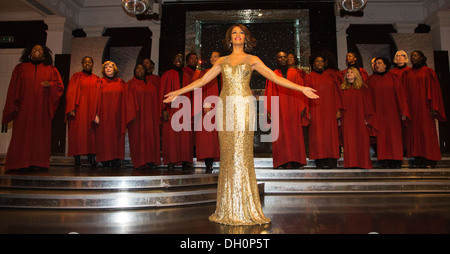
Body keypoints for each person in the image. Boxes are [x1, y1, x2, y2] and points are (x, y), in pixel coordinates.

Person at [163, 24, 318, 226]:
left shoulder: (252, 59)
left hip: (244, 106)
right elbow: (202, 82)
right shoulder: (222, 60)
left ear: (246, 38)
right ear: (230, 39)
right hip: (225, 107)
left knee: (241, 152)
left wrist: (301, 88)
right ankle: (228, 206)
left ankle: (245, 206)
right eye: (234, 33)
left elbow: (275, 79)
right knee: (228, 154)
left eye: (241, 33)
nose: (237, 35)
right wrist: (178, 92)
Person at [2, 44, 64, 172]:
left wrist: (51, 84)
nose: (37, 51)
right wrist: (14, 105)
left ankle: (39, 162)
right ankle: (19, 162)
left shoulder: (51, 70)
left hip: (42, 109)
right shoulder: (20, 68)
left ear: (44, 54)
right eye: (35, 50)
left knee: (40, 136)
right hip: (24, 109)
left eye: (40, 50)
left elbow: (59, 87)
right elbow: (13, 88)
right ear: (30, 53)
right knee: (22, 136)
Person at [264, 51, 308, 169]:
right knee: (281, 135)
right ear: (276, 59)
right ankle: (282, 161)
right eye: (280, 57)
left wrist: (302, 106)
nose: (282, 59)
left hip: (293, 107)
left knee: (295, 135)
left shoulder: (295, 73)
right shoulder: (273, 74)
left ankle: (296, 160)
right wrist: (270, 110)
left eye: (284, 57)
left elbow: (300, 90)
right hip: (279, 109)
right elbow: (269, 92)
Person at [403, 50, 446, 168]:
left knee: (427, 133)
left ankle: (431, 159)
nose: (413, 58)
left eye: (415, 56)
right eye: (411, 56)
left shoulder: (428, 72)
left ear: (422, 58)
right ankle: (419, 159)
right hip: (412, 109)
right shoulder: (408, 74)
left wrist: (434, 106)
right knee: (415, 134)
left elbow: (434, 90)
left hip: (425, 108)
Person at [368, 57, 410, 168]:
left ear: (386, 65)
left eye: (379, 63)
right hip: (377, 113)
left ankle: (395, 160)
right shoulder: (370, 80)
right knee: (380, 136)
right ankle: (382, 160)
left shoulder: (393, 77)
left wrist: (404, 111)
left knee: (394, 136)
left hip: (392, 113)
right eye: (376, 63)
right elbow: (367, 98)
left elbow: (400, 95)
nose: (377, 65)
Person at [305, 53, 344, 169]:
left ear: (324, 64)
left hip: (330, 110)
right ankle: (320, 161)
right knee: (317, 135)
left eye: (321, 61)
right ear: (313, 64)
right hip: (316, 110)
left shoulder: (330, 77)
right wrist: (307, 110)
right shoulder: (308, 77)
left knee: (331, 135)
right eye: (317, 61)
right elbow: (305, 95)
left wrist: (338, 109)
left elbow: (336, 94)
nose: (319, 63)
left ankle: (331, 160)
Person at [159, 54, 194, 170]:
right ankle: (171, 161)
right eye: (176, 58)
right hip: (171, 109)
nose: (178, 60)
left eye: (180, 58)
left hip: (185, 109)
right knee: (171, 136)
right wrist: (163, 109)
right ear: (173, 60)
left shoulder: (187, 76)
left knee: (185, 136)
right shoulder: (167, 74)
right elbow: (162, 92)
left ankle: (185, 160)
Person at [340, 67, 378, 169]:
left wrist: (368, 118)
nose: (349, 73)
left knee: (362, 140)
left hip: (360, 118)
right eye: (348, 72)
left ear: (356, 74)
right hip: (347, 119)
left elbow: (368, 104)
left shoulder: (363, 88)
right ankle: (351, 163)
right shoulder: (342, 89)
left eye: (352, 72)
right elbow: (339, 105)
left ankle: (363, 163)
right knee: (349, 141)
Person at [65, 56, 99, 168]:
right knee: (78, 135)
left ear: (92, 64)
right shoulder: (76, 77)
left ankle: (92, 158)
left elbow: (100, 96)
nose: (87, 63)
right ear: (82, 64)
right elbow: (71, 93)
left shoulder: (97, 79)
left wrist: (98, 112)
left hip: (92, 110)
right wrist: (71, 109)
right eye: (85, 62)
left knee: (92, 135)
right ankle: (77, 159)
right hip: (79, 111)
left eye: (90, 62)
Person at [125, 64, 161, 170]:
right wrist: (131, 115)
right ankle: (140, 162)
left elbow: (156, 100)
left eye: (142, 69)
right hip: (137, 117)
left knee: (150, 138)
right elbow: (128, 100)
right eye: (137, 69)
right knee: (138, 139)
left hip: (150, 116)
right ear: (134, 71)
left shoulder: (151, 84)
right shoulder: (131, 84)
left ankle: (150, 160)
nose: (140, 70)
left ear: (145, 71)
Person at [94, 61, 126, 168]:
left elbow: (126, 99)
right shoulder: (100, 82)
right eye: (106, 67)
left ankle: (116, 159)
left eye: (111, 67)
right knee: (105, 138)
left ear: (115, 69)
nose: (108, 68)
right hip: (104, 114)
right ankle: (105, 160)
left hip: (118, 114)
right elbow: (95, 99)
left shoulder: (121, 82)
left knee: (117, 137)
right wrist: (96, 114)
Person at [194, 51, 221, 172]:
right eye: (212, 57)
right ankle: (208, 163)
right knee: (209, 137)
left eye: (216, 56)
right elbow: (198, 88)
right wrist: (204, 102)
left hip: (224, 107)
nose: (213, 58)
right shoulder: (205, 73)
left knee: (223, 135)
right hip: (209, 107)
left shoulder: (226, 73)